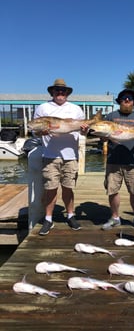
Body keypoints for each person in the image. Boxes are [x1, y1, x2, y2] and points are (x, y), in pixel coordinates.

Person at [34, 78, 86, 236]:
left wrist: (85, 128)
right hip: (50, 155)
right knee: (50, 188)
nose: (60, 93)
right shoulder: (42, 108)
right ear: (52, 92)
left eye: (63, 91)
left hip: (71, 156)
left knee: (68, 187)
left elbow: (83, 131)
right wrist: (40, 131)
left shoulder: (76, 109)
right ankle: (48, 219)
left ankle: (70, 215)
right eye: (57, 90)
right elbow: (35, 130)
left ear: (67, 93)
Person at [101, 88, 134, 233]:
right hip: (113, 160)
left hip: (132, 161)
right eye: (124, 98)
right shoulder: (111, 116)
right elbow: (102, 136)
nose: (127, 100)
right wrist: (103, 136)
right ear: (120, 101)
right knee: (112, 190)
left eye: (129, 98)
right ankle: (115, 218)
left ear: (133, 102)